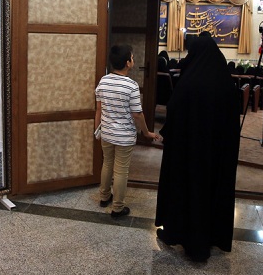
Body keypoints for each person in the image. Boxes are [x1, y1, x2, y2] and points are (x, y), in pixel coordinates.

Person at [155, 33, 240, 262]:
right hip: (215, 156)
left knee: (185, 190)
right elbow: (233, 123)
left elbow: (173, 112)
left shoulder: (187, 83)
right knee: (211, 192)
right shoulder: (225, 84)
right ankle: (210, 236)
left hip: (187, 154)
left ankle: (179, 232)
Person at [95, 44, 161, 218]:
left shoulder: (103, 81)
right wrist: (146, 133)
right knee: (121, 170)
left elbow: (99, 109)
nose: (133, 59)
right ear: (127, 63)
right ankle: (117, 208)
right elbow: (137, 114)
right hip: (124, 136)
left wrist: (97, 130)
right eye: (132, 57)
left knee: (107, 164)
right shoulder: (131, 86)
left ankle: (104, 197)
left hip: (106, 133)